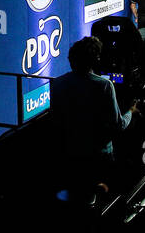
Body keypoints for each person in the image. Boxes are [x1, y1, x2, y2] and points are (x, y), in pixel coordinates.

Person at [49, 36, 135, 202]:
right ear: (95, 60)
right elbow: (118, 125)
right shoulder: (104, 86)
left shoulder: (57, 83)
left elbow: (56, 121)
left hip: (68, 154)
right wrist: (131, 112)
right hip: (98, 157)